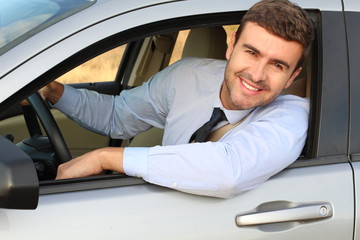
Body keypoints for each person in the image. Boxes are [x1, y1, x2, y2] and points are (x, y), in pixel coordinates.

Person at [41, 0, 314, 198]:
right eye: (251, 52)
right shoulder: (187, 75)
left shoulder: (292, 115)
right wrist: (54, 92)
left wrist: (105, 157)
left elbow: (228, 171)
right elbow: (117, 116)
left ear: (292, 77)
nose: (256, 74)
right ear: (231, 46)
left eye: (277, 65)